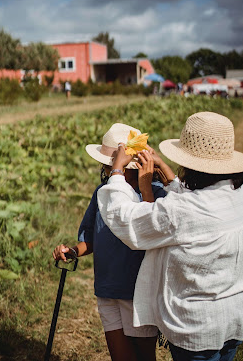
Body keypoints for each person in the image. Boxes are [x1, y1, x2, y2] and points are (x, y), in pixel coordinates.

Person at [97, 112, 243, 361]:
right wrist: (168, 176)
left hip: (198, 328)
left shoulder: (182, 212)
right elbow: (199, 201)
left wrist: (117, 171)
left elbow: (126, 219)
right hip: (239, 315)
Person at [52, 123, 167, 361]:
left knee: (144, 356)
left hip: (138, 292)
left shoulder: (156, 193)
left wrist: (146, 189)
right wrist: (73, 250)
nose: (106, 167)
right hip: (107, 288)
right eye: (107, 164)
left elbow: (152, 230)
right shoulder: (102, 192)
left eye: (111, 163)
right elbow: (92, 238)